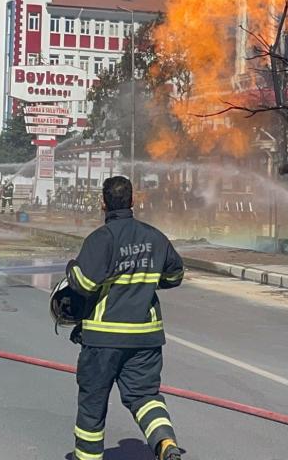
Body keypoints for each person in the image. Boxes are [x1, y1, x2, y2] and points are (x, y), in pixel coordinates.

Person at [66, 176, 184, 460]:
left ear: (103, 203)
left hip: (103, 339)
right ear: (133, 201)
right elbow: (174, 275)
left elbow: (83, 284)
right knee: (145, 396)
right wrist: (147, 280)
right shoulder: (154, 236)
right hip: (145, 337)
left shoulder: (101, 239)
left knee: (93, 404)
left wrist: (71, 268)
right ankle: (165, 443)